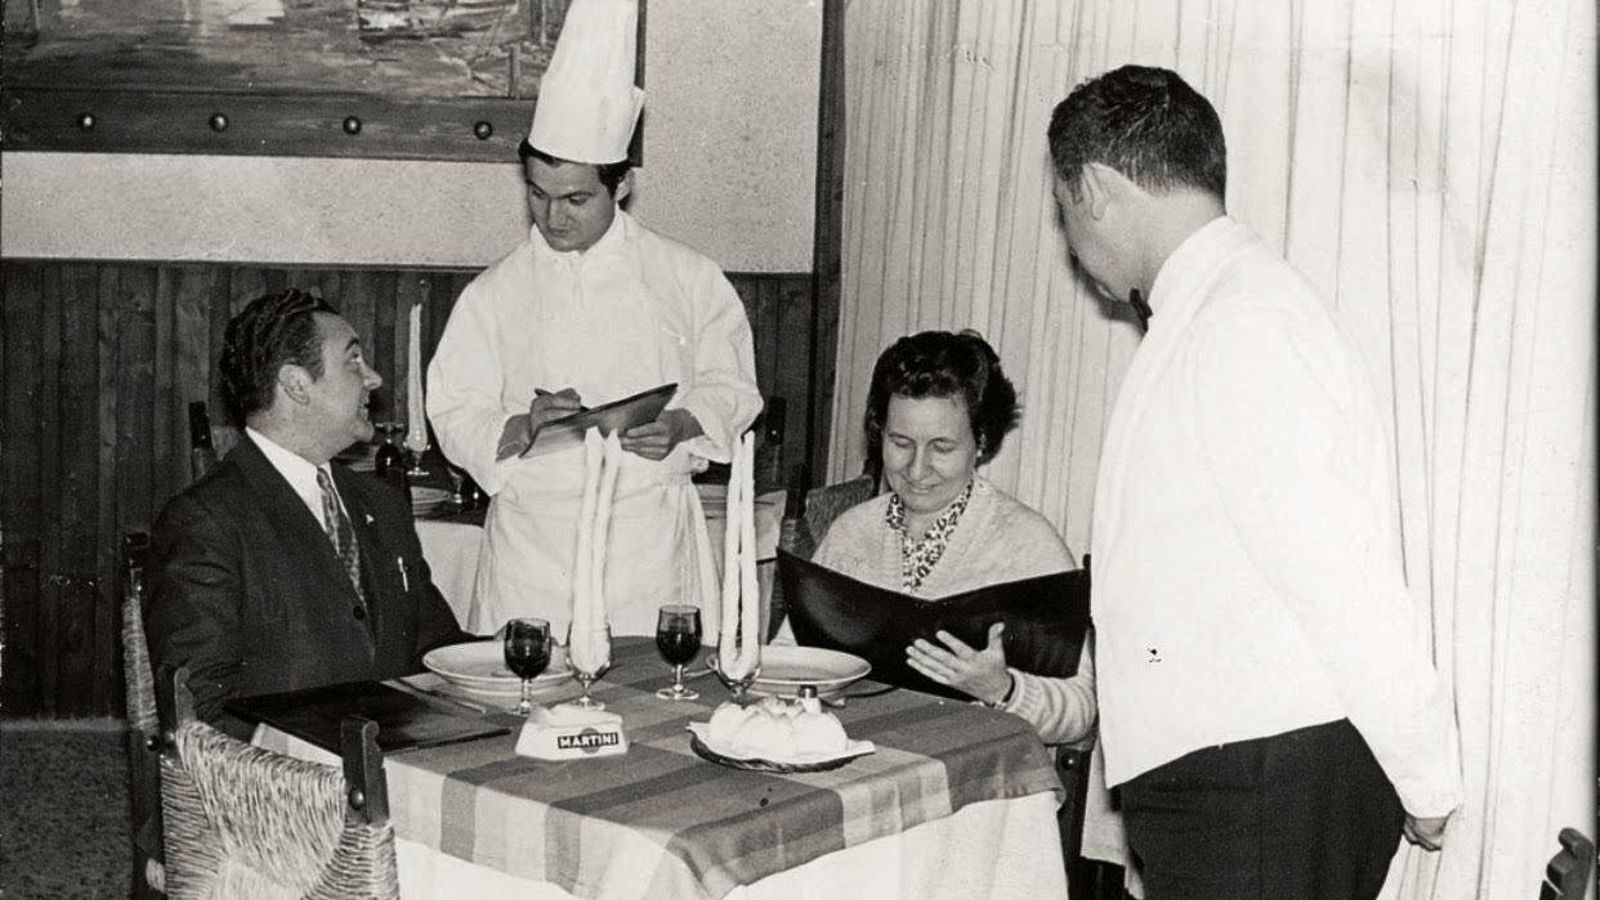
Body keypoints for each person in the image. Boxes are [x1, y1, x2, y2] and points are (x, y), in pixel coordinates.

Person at [1048, 65, 1463, 899]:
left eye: (1064, 211)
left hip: (1262, 792)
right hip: (1241, 789)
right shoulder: (1213, 311)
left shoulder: (1244, 323)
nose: (1071, 240)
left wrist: (1426, 774)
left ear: (1093, 187)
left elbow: (1338, 576)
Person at [427, 0, 760, 638]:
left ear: (622, 186)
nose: (553, 218)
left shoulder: (687, 277)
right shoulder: (493, 294)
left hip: (648, 550)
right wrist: (521, 425)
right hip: (532, 553)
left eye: (576, 199)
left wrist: (683, 422)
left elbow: (734, 387)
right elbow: (454, 407)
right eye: (538, 194)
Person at [145, 290, 472, 738]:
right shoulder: (205, 521)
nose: (374, 378)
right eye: (353, 361)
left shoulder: (381, 505)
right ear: (297, 385)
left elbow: (438, 651)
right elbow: (202, 714)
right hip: (283, 774)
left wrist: (523, 658)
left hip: (402, 758)